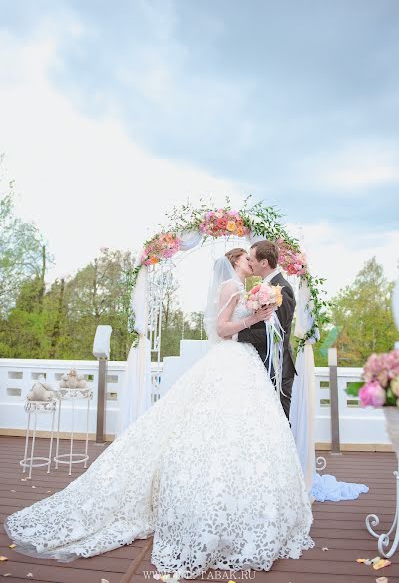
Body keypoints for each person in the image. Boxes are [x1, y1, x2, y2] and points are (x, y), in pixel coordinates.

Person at [4, 248, 314, 579]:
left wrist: (260, 314)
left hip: (245, 364)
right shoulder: (231, 288)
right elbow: (222, 329)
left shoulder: (245, 289)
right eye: (247, 260)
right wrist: (253, 317)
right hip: (229, 361)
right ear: (236, 262)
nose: (252, 264)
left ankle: (247, 503)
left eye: (255, 261)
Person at [238, 240, 297, 420]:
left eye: (252, 260)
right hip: (262, 364)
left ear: (264, 263)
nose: (250, 263)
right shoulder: (265, 287)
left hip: (276, 366)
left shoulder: (282, 289)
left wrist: (237, 335)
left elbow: (274, 335)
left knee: (277, 421)